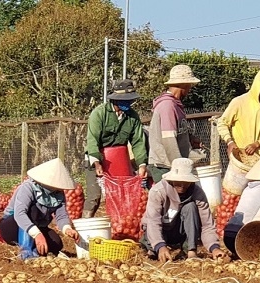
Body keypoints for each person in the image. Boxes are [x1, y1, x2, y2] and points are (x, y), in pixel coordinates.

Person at [217, 68, 260, 204]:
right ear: (259, 85)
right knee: (233, 196)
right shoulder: (239, 102)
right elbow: (222, 123)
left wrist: (257, 144)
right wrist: (229, 142)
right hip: (240, 160)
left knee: (258, 200)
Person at [0, 159, 80, 259]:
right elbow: (20, 214)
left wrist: (67, 228)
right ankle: (26, 251)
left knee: (57, 244)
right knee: (33, 210)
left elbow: (61, 215)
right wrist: (37, 234)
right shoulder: (28, 188)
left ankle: (35, 248)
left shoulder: (58, 193)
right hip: (13, 225)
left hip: (37, 225)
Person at [84, 79, 149, 217]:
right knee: (94, 197)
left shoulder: (133, 117)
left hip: (119, 160)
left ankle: (119, 228)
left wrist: (142, 164)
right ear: (115, 99)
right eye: (124, 100)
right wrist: (97, 163)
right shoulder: (99, 113)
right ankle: (85, 227)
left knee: (122, 196)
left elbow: (138, 141)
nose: (128, 103)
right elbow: (92, 140)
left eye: (129, 100)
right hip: (96, 159)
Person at [142, 158, 227, 261]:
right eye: (178, 182)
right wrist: (159, 245)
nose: (182, 186)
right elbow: (153, 221)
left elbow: (207, 224)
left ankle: (191, 250)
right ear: (171, 179)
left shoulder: (197, 193)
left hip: (180, 231)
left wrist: (214, 248)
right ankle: (155, 248)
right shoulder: (158, 191)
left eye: (186, 182)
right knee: (153, 250)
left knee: (190, 207)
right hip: (160, 230)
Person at [149, 65, 201, 185]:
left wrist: (190, 139)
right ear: (184, 85)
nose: (189, 90)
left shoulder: (175, 105)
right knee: (171, 201)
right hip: (166, 165)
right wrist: (179, 170)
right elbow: (169, 140)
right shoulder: (168, 106)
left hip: (171, 165)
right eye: (189, 86)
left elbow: (177, 131)